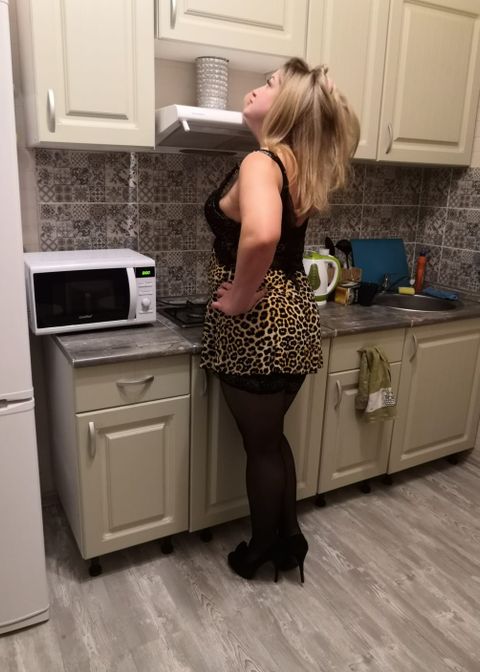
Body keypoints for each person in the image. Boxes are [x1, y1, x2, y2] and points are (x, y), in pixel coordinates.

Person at [200, 58, 360, 583]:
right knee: (272, 439)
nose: (255, 89)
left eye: (269, 84)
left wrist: (240, 297)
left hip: (259, 326)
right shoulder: (297, 164)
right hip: (294, 319)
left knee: (261, 446)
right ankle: (290, 538)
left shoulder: (261, 161)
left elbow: (263, 235)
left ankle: (261, 548)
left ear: (288, 104)